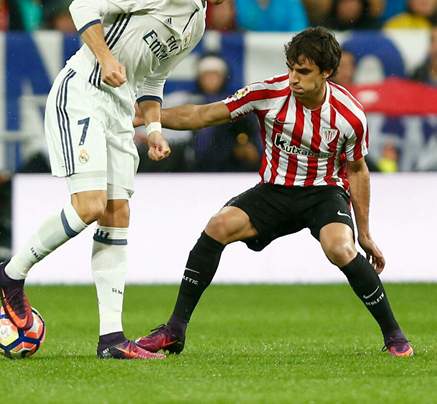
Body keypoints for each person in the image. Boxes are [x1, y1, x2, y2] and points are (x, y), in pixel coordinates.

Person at [0, 0, 256, 360]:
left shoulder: (197, 23)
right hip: (82, 92)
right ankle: (12, 274)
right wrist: (104, 57)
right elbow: (83, 5)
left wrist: (154, 127)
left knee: (117, 214)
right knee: (90, 205)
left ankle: (111, 339)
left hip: (119, 112)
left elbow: (152, 80)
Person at [135, 27, 414, 358]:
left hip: (323, 194)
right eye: (292, 68)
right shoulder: (267, 93)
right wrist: (150, 119)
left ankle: (394, 336)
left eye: (304, 71)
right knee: (218, 226)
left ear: (326, 72)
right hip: (274, 191)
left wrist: (364, 233)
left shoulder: (349, 115)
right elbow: (203, 114)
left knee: (340, 248)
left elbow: (357, 171)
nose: (294, 78)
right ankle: (174, 330)